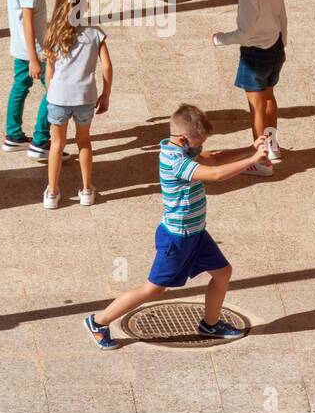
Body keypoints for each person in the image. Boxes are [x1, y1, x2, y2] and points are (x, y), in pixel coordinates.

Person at [83, 104, 268, 349]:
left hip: (196, 233)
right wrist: (253, 161)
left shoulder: (183, 150)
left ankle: (210, 325)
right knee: (154, 289)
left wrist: (248, 150)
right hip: (177, 238)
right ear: (183, 138)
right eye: (198, 142)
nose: (200, 147)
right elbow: (215, 175)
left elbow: (213, 159)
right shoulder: (174, 160)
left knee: (222, 273)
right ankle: (98, 321)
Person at [213, 0, 287, 176]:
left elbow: (245, 33)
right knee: (268, 98)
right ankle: (272, 145)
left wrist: (220, 38)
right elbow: (281, 17)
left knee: (255, 107)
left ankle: (261, 160)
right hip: (275, 49)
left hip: (254, 56)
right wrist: (282, 43)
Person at [43, 0, 113, 207]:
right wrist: (105, 94)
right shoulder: (95, 33)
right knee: (84, 141)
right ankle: (86, 190)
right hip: (85, 97)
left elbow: (50, 71)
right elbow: (107, 67)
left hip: (59, 97)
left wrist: (50, 93)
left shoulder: (52, 34)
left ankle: (52, 192)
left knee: (57, 144)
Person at [5, 0, 53, 159]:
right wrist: (35, 57)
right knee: (54, 90)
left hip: (19, 46)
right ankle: (41, 140)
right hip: (35, 49)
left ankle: (12, 134)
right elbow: (27, 20)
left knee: (20, 86)